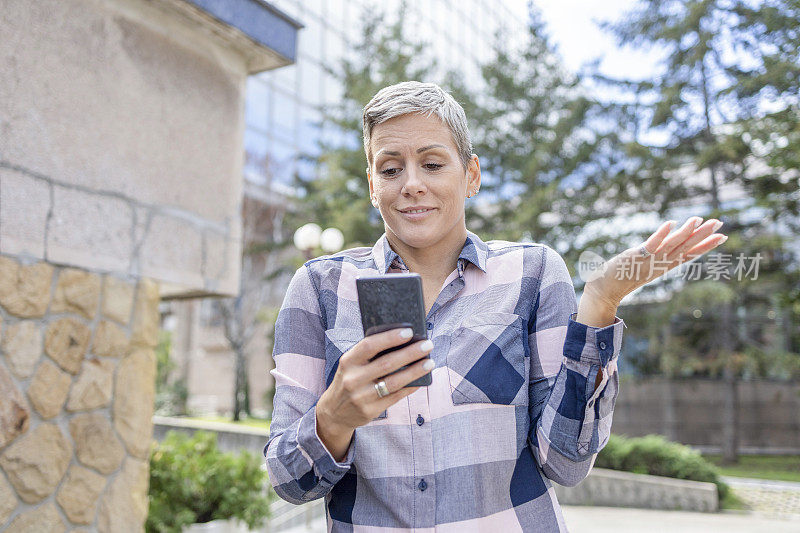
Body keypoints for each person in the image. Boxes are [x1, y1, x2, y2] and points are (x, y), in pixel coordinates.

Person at [264, 81, 727, 532]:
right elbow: (290, 482)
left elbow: (565, 462)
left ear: (471, 175)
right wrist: (335, 417)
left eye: (432, 164)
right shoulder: (319, 288)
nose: (411, 184)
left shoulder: (533, 274)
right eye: (390, 169)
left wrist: (600, 303)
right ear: (372, 185)